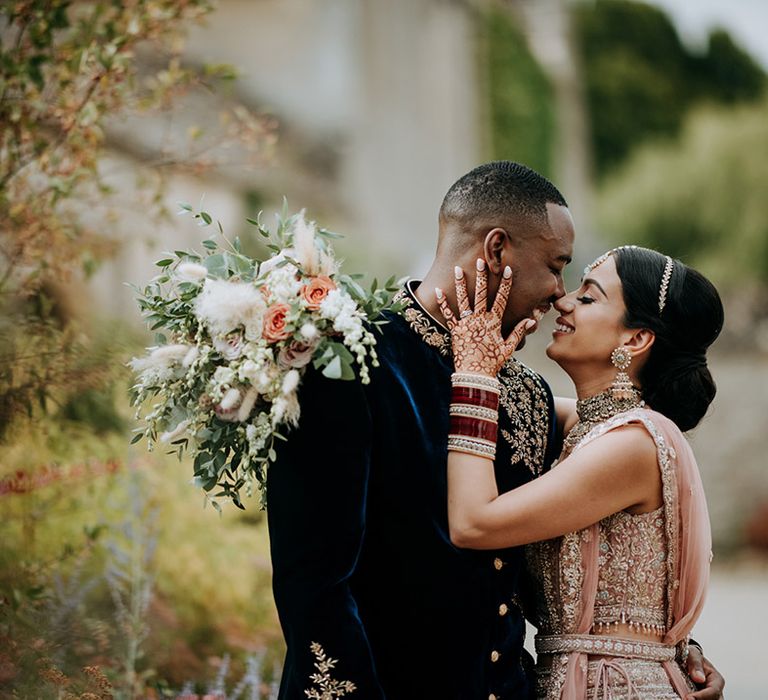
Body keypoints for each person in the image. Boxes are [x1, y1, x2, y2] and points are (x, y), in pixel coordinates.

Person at [266, 162, 724, 699]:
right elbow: (315, 587)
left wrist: (659, 654)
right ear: (497, 249)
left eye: (579, 285)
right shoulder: (352, 364)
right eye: (557, 267)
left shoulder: (526, 394)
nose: (559, 294)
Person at [438, 245, 723, 699]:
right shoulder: (587, 426)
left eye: (588, 298)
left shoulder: (635, 444)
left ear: (635, 340)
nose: (562, 301)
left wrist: (475, 371)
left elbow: (474, 522)